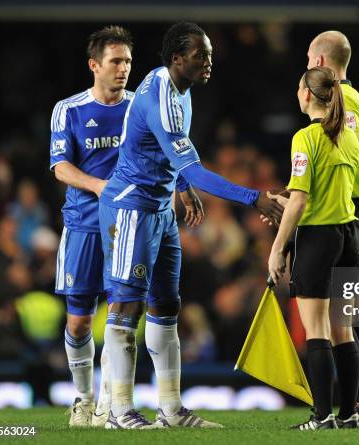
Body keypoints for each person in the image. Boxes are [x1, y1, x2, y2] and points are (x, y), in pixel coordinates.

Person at [98, 22, 283, 429]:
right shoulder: (162, 95)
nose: (209, 62)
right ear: (177, 59)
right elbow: (196, 169)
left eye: (211, 54)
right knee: (126, 307)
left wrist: (180, 187)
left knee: (166, 307)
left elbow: (172, 150)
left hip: (160, 209)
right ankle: (118, 411)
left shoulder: (183, 88)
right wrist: (256, 198)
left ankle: (170, 409)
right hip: (132, 208)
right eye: (202, 55)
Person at [268, 66, 359, 430]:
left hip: (318, 239)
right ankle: (349, 413)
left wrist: (278, 248)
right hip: (349, 237)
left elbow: (302, 201)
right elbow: (324, 188)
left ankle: (322, 416)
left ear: (307, 94)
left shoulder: (305, 138)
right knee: (344, 329)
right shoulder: (349, 135)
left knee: (316, 330)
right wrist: (283, 196)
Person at [49, 26, 135, 427]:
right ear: (94, 65)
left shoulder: (140, 108)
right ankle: (82, 398)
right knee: (79, 319)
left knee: (120, 315)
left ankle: (107, 401)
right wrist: (99, 185)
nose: (123, 69)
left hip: (128, 225)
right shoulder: (69, 109)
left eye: (128, 61)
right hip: (83, 224)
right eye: (116, 61)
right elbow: (60, 167)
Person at [306, 30, 359, 427]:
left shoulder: (343, 102)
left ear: (321, 62)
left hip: (352, 208)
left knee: (350, 312)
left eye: (308, 60)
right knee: (352, 311)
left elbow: (342, 160)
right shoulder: (357, 100)